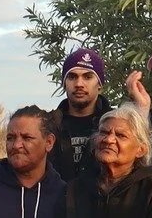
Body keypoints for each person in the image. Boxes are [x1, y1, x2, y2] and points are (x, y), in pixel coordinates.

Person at [46, 48, 110, 180]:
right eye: (72, 77)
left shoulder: (115, 125)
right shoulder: (48, 125)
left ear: (100, 84)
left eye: (87, 77)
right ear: (64, 83)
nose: (79, 84)